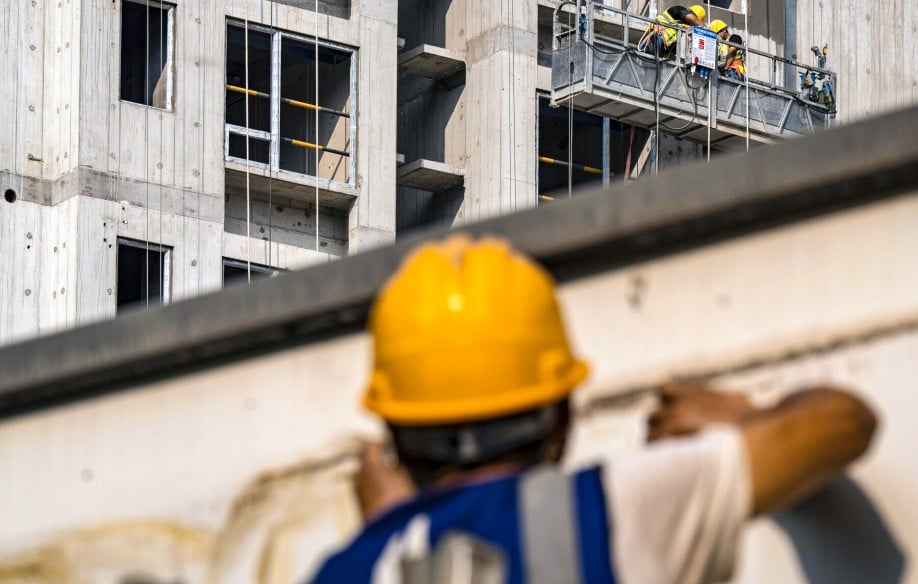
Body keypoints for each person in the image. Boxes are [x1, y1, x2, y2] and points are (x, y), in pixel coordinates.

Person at [312, 236, 878, 583]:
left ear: (393, 436)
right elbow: (843, 421)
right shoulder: (609, 512)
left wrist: (390, 527)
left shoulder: (342, 573)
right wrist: (734, 418)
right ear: (561, 416)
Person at [639, 4, 706, 58]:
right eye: (692, 23)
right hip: (654, 39)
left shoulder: (680, 30)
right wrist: (705, 28)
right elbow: (692, 19)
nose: (691, 24)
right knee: (650, 64)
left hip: (660, 49)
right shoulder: (677, 10)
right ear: (690, 12)